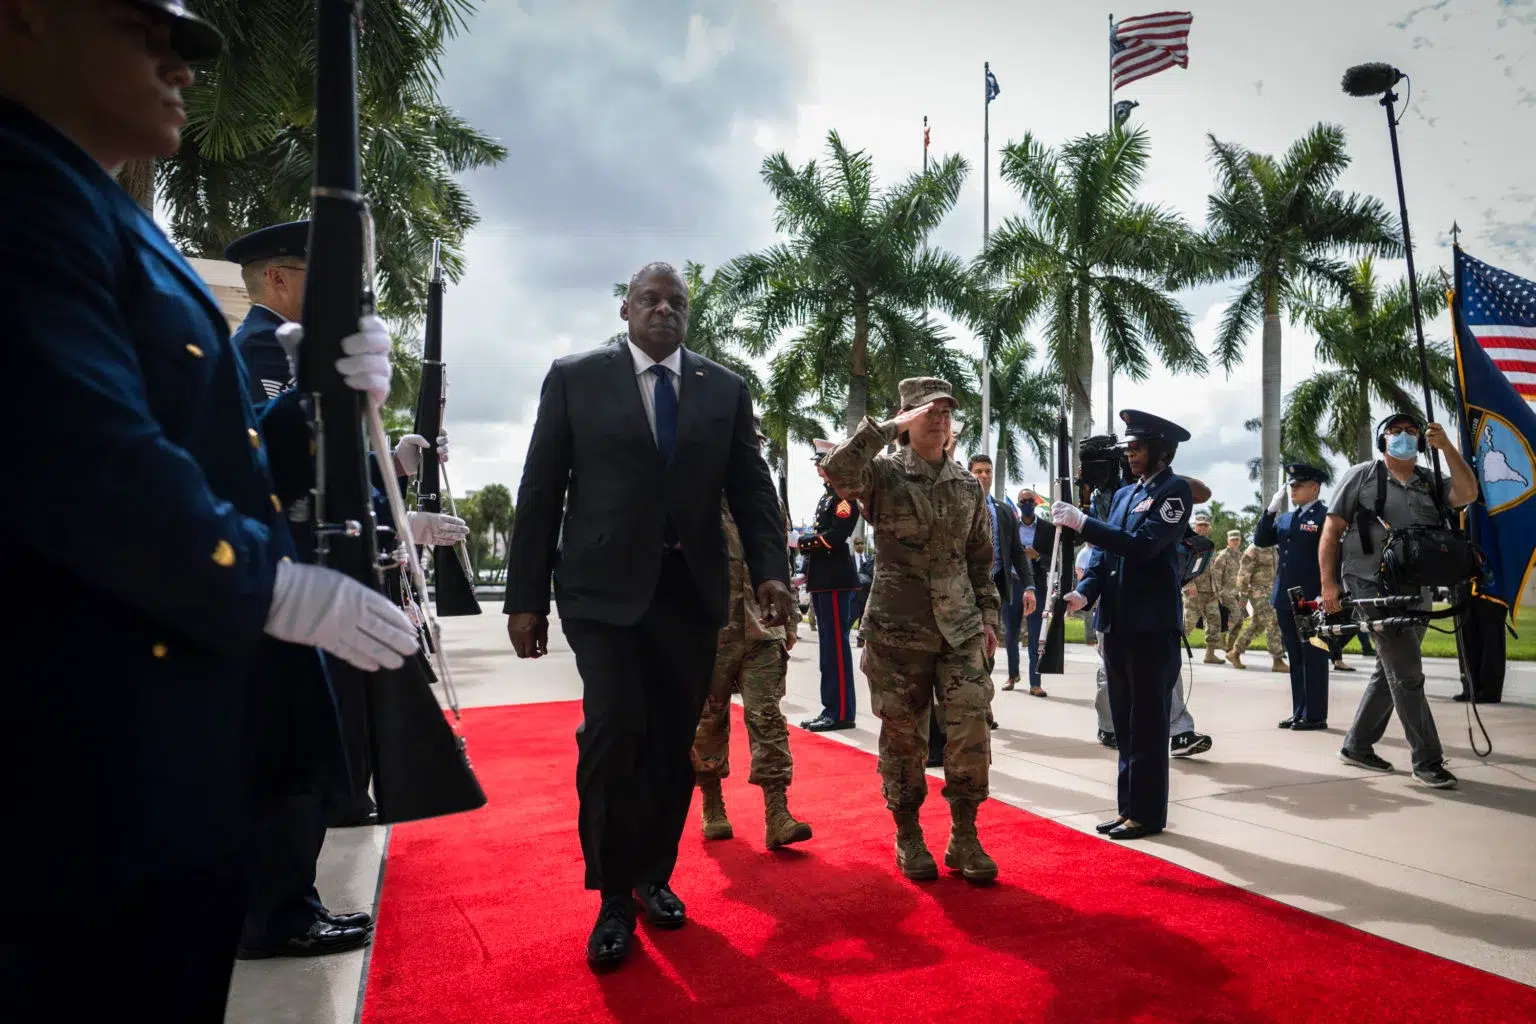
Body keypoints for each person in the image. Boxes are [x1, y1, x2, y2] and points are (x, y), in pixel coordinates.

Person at [3, 2, 418, 1015]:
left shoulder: (86, 204)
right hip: (72, 765)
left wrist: (327, 403)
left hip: (148, 755)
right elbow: (82, 457)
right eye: (143, 27)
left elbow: (214, 444)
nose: (180, 57)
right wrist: (270, 583)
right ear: (27, 19)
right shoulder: (23, 195)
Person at [504, 261, 793, 970]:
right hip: (600, 595)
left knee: (672, 741)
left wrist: (772, 573)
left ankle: (650, 876)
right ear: (626, 309)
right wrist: (524, 597)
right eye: (650, 299)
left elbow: (752, 491)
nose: (664, 310)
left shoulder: (722, 389)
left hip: (690, 595)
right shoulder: (575, 377)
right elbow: (540, 488)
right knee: (613, 730)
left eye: (677, 302)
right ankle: (609, 896)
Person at [220, 223, 468, 958]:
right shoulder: (265, 348)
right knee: (292, 751)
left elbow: (326, 454)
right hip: (291, 574)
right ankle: (280, 909)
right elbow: (283, 461)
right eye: (316, 276)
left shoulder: (282, 347)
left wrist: (387, 469)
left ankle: (292, 900)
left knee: (308, 748)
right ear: (276, 281)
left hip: (307, 572)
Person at [821, 378, 1001, 884]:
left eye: (947, 411)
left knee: (969, 731)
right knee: (904, 738)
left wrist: (988, 619)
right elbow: (838, 470)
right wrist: (886, 427)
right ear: (907, 418)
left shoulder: (968, 485)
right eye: (929, 411)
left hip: (960, 628)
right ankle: (908, 833)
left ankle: (965, 835)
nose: (940, 419)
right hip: (898, 632)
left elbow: (981, 562)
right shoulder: (881, 475)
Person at [1054, 410, 1192, 841]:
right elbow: (1102, 557)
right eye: (1129, 447)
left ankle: (1147, 814)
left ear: (1162, 450)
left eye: (1139, 447)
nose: (1130, 454)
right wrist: (1085, 593)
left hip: (1150, 627)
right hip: (1116, 623)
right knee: (1124, 722)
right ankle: (1128, 808)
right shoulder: (1123, 495)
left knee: (1149, 724)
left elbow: (1143, 547)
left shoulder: (1175, 492)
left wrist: (1084, 523)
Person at [1324, 413, 1477, 788]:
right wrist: (1329, 585)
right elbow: (1332, 529)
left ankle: (1357, 746)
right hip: (1368, 584)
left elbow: (1468, 493)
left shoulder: (1430, 480)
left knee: (1389, 668)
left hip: (1417, 587)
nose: (1404, 436)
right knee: (1408, 673)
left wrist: (1449, 449)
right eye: (1395, 432)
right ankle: (1428, 760)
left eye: (1411, 432)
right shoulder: (1361, 476)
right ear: (1383, 440)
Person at [693, 433, 811, 848]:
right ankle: (712, 802)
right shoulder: (694, 492)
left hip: (764, 627)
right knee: (709, 719)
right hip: (709, 629)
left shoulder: (765, 500)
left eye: (755, 444)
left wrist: (791, 618)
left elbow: (780, 559)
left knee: (767, 716)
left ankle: (777, 812)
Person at [1253, 463, 1333, 729]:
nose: (1293, 489)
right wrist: (1271, 509)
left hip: (1310, 599)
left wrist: (1326, 591)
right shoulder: (1287, 518)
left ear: (1315, 487)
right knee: (1296, 657)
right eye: (1291, 485)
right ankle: (1299, 710)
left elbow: (1334, 556)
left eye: (1299, 485)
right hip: (1286, 598)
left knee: (1314, 655)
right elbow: (1262, 539)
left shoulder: (1325, 516)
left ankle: (1315, 714)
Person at [798, 439, 861, 732]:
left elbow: (835, 537)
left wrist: (799, 542)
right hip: (823, 581)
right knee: (827, 649)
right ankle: (831, 707)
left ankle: (840, 712)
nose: (818, 468)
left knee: (836, 648)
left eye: (823, 462)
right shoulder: (828, 497)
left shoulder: (844, 498)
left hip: (835, 580)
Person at [966, 456, 1038, 695]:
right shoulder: (960, 505)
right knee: (963, 649)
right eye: (978, 471)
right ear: (969, 474)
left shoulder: (1005, 511)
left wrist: (1029, 587)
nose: (984, 476)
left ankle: (983, 706)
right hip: (963, 587)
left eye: (988, 471)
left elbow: (1017, 552)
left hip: (994, 587)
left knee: (988, 646)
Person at [1011, 489, 1054, 695]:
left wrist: (1037, 556)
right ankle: (1012, 676)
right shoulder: (1011, 527)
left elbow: (1054, 561)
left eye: (1030, 500)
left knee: (1036, 637)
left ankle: (1035, 683)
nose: (1026, 504)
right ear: (1018, 505)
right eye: (1023, 501)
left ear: (1035, 503)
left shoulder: (1047, 529)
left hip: (1036, 587)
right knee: (1011, 635)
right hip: (1013, 585)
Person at [1225, 540, 1286, 672]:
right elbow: (1243, 574)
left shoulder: (1274, 548)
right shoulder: (1254, 548)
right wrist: (1244, 596)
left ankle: (1234, 653)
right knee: (1273, 622)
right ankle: (1277, 660)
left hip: (1271, 592)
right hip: (1258, 593)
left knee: (1257, 625)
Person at [1182, 511, 1225, 664]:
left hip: (1210, 592)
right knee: (1188, 624)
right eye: (1199, 525)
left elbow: (1214, 569)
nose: (1202, 528)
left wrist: (1217, 590)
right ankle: (1169, 653)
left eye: (1205, 526)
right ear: (1195, 526)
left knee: (1215, 622)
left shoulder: (1210, 546)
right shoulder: (1187, 543)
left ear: (1209, 528)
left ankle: (1210, 654)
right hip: (1194, 592)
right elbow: (1182, 568)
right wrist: (1188, 585)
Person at [1211, 529, 1244, 647]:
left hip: (1236, 593)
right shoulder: (1223, 555)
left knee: (1240, 621)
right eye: (1232, 539)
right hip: (1225, 593)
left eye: (1237, 539)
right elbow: (1216, 576)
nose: (1235, 541)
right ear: (1228, 541)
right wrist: (1217, 594)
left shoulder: (1241, 556)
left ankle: (1230, 646)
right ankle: (1221, 637)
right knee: (1236, 615)